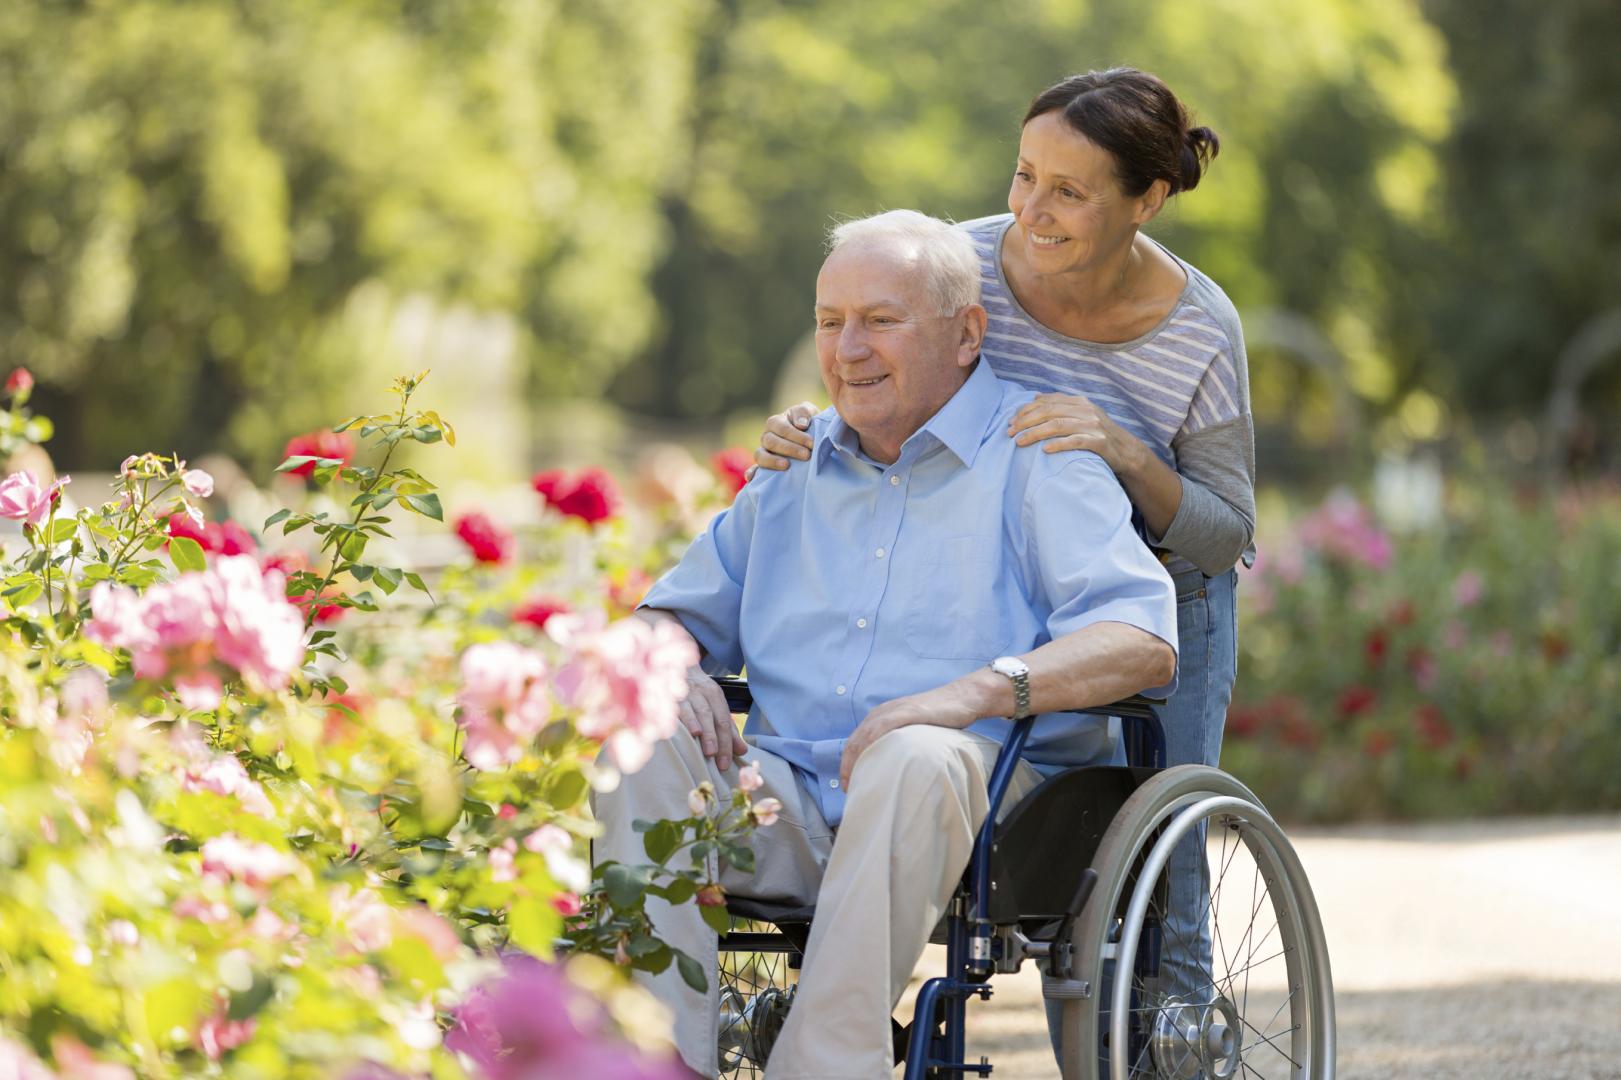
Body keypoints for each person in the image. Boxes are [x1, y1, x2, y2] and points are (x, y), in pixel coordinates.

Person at [594, 209, 1177, 1078]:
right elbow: (665, 617)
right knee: (633, 732)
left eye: (881, 320)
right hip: (783, 805)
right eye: (830, 322)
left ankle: (825, 1066)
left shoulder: (1037, 457)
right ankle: (651, 1064)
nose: (848, 349)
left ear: (965, 334)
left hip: (979, 820)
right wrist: (668, 666)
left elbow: (1140, 639)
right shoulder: (790, 470)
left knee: (916, 754)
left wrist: (968, 694)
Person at [752, 67, 1251, 1009]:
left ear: (1145, 200)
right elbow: (876, 362)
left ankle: (1173, 1048)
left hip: (1161, 590)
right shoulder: (966, 263)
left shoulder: (1199, 330)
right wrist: (811, 426)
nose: (1032, 209)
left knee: (1165, 865)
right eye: (1023, 176)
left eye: (1068, 190)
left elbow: (1226, 534)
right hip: (991, 569)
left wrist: (1120, 451)